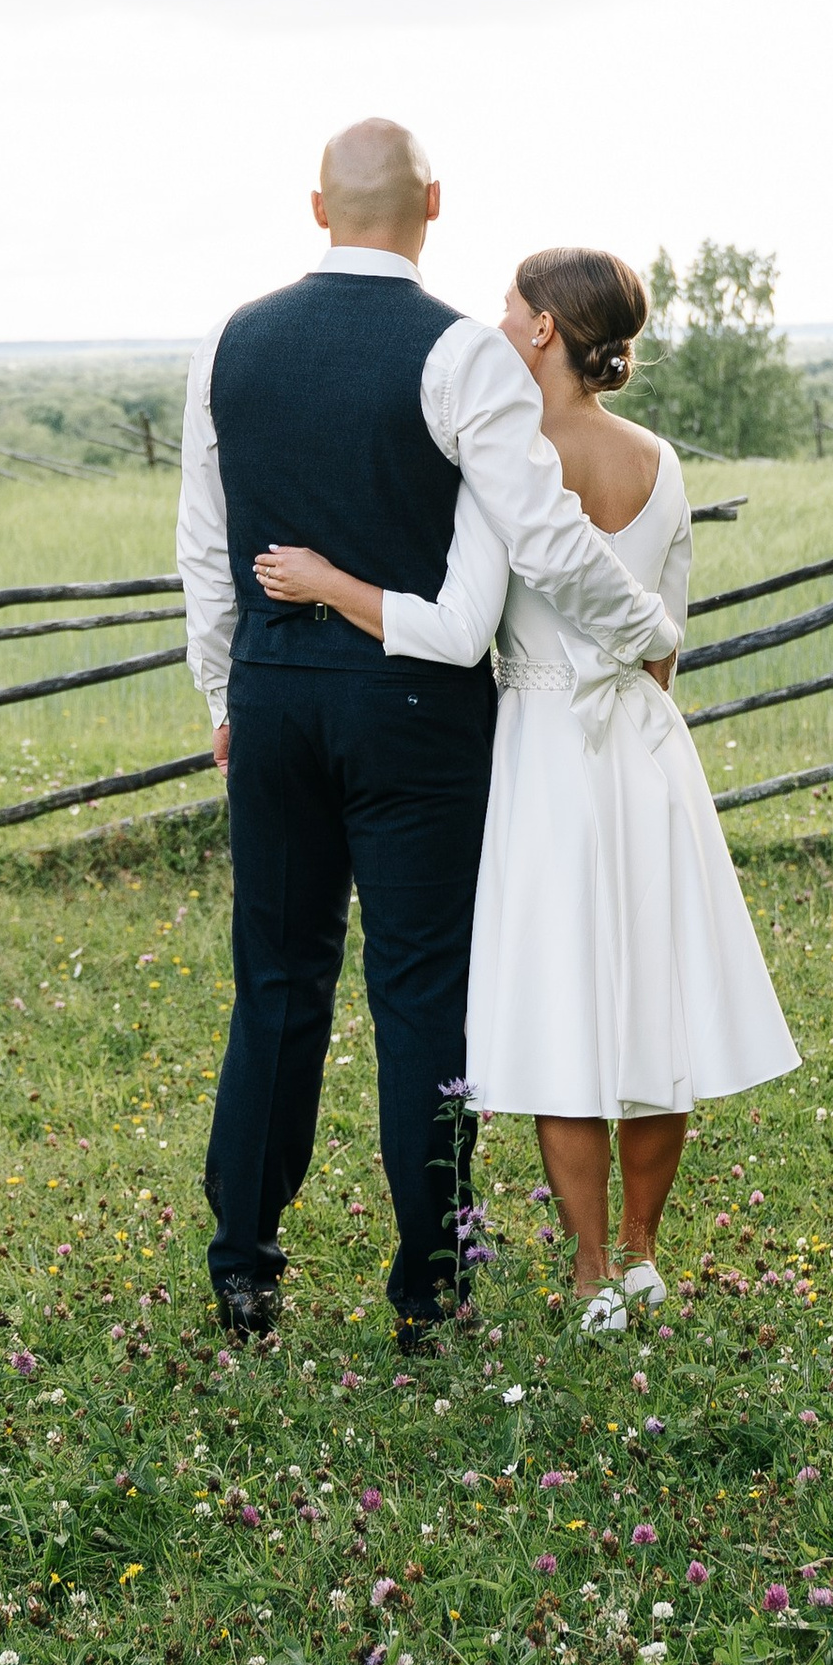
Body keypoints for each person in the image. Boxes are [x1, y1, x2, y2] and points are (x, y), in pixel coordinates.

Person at [179, 122, 680, 1352]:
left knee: (276, 988)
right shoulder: (463, 352)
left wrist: (225, 700)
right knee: (420, 1000)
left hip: (277, 695)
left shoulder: (227, 344)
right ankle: (430, 1288)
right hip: (414, 716)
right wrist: (650, 627)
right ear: (434, 205)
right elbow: (549, 535)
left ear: (315, 207)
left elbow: (204, 549)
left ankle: (245, 1269)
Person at [255, 244, 798, 1337]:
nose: (497, 321)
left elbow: (457, 632)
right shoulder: (660, 458)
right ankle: (644, 1255)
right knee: (652, 1002)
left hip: (548, 749)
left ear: (545, 329)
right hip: (648, 751)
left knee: (565, 1010)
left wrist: (327, 584)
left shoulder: (508, 464)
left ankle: (592, 1270)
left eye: (509, 305)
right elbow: (664, 648)